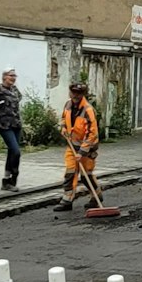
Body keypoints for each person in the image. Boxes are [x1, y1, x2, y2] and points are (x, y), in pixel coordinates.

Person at [55, 82, 101, 212]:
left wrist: (82, 151)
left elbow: (92, 134)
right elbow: (64, 118)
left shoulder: (88, 110)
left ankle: (96, 196)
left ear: (83, 94)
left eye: (79, 93)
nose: (75, 95)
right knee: (70, 172)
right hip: (72, 145)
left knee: (86, 175)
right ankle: (67, 200)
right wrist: (63, 127)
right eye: (73, 92)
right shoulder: (68, 105)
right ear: (70, 92)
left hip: (88, 148)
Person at [0, 67, 24, 190]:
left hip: (16, 124)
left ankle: (7, 181)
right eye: (11, 76)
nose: (13, 78)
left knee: (12, 152)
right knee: (16, 151)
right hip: (4, 124)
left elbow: (19, 98)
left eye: (14, 76)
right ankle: (12, 177)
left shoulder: (14, 89)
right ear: (4, 77)